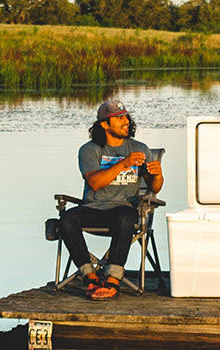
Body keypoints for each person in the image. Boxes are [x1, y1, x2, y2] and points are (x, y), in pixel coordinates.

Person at [59, 100, 163, 301]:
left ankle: (113, 279)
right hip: (93, 208)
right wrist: (123, 163)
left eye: (126, 117)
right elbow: (95, 182)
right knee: (67, 219)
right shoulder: (90, 150)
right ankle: (89, 276)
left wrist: (158, 175)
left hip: (123, 209)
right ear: (105, 125)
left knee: (125, 216)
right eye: (119, 118)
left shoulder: (140, 148)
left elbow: (154, 187)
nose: (126, 122)